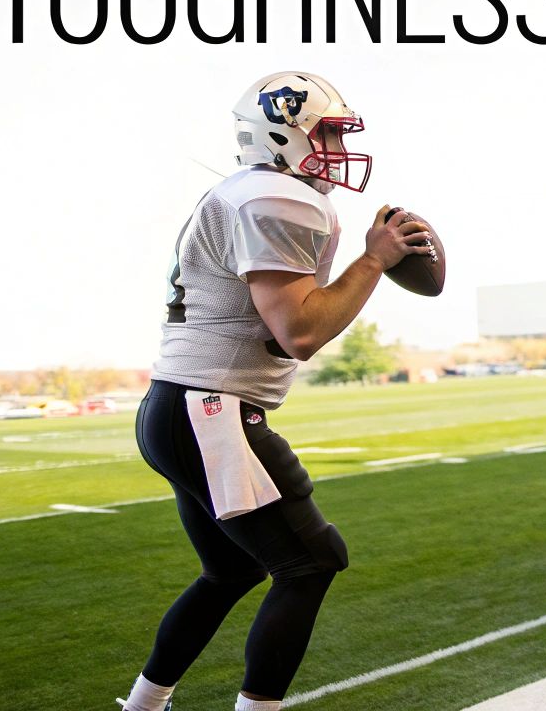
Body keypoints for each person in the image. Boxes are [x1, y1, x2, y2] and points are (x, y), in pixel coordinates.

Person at [118, 72, 433, 711]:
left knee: (232, 569)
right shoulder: (275, 197)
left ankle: (144, 706)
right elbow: (301, 331)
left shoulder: (250, 190)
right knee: (312, 562)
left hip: (181, 405)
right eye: (328, 133)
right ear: (283, 133)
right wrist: (374, 260)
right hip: (211, 408)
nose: (338, 149)